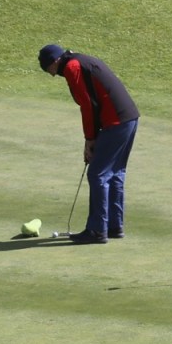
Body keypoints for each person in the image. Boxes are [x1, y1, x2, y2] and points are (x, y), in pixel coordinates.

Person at [38, 44, 140, 244]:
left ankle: (97, 230)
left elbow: (87, 105)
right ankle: (114, 226)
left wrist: (90, 139)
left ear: (55, 62)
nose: (51, 74)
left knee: (97, 174)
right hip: (129, 118)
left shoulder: (72, 67)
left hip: (116, 121)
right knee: (115, 173)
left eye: (48, 68)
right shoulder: (81, 60)